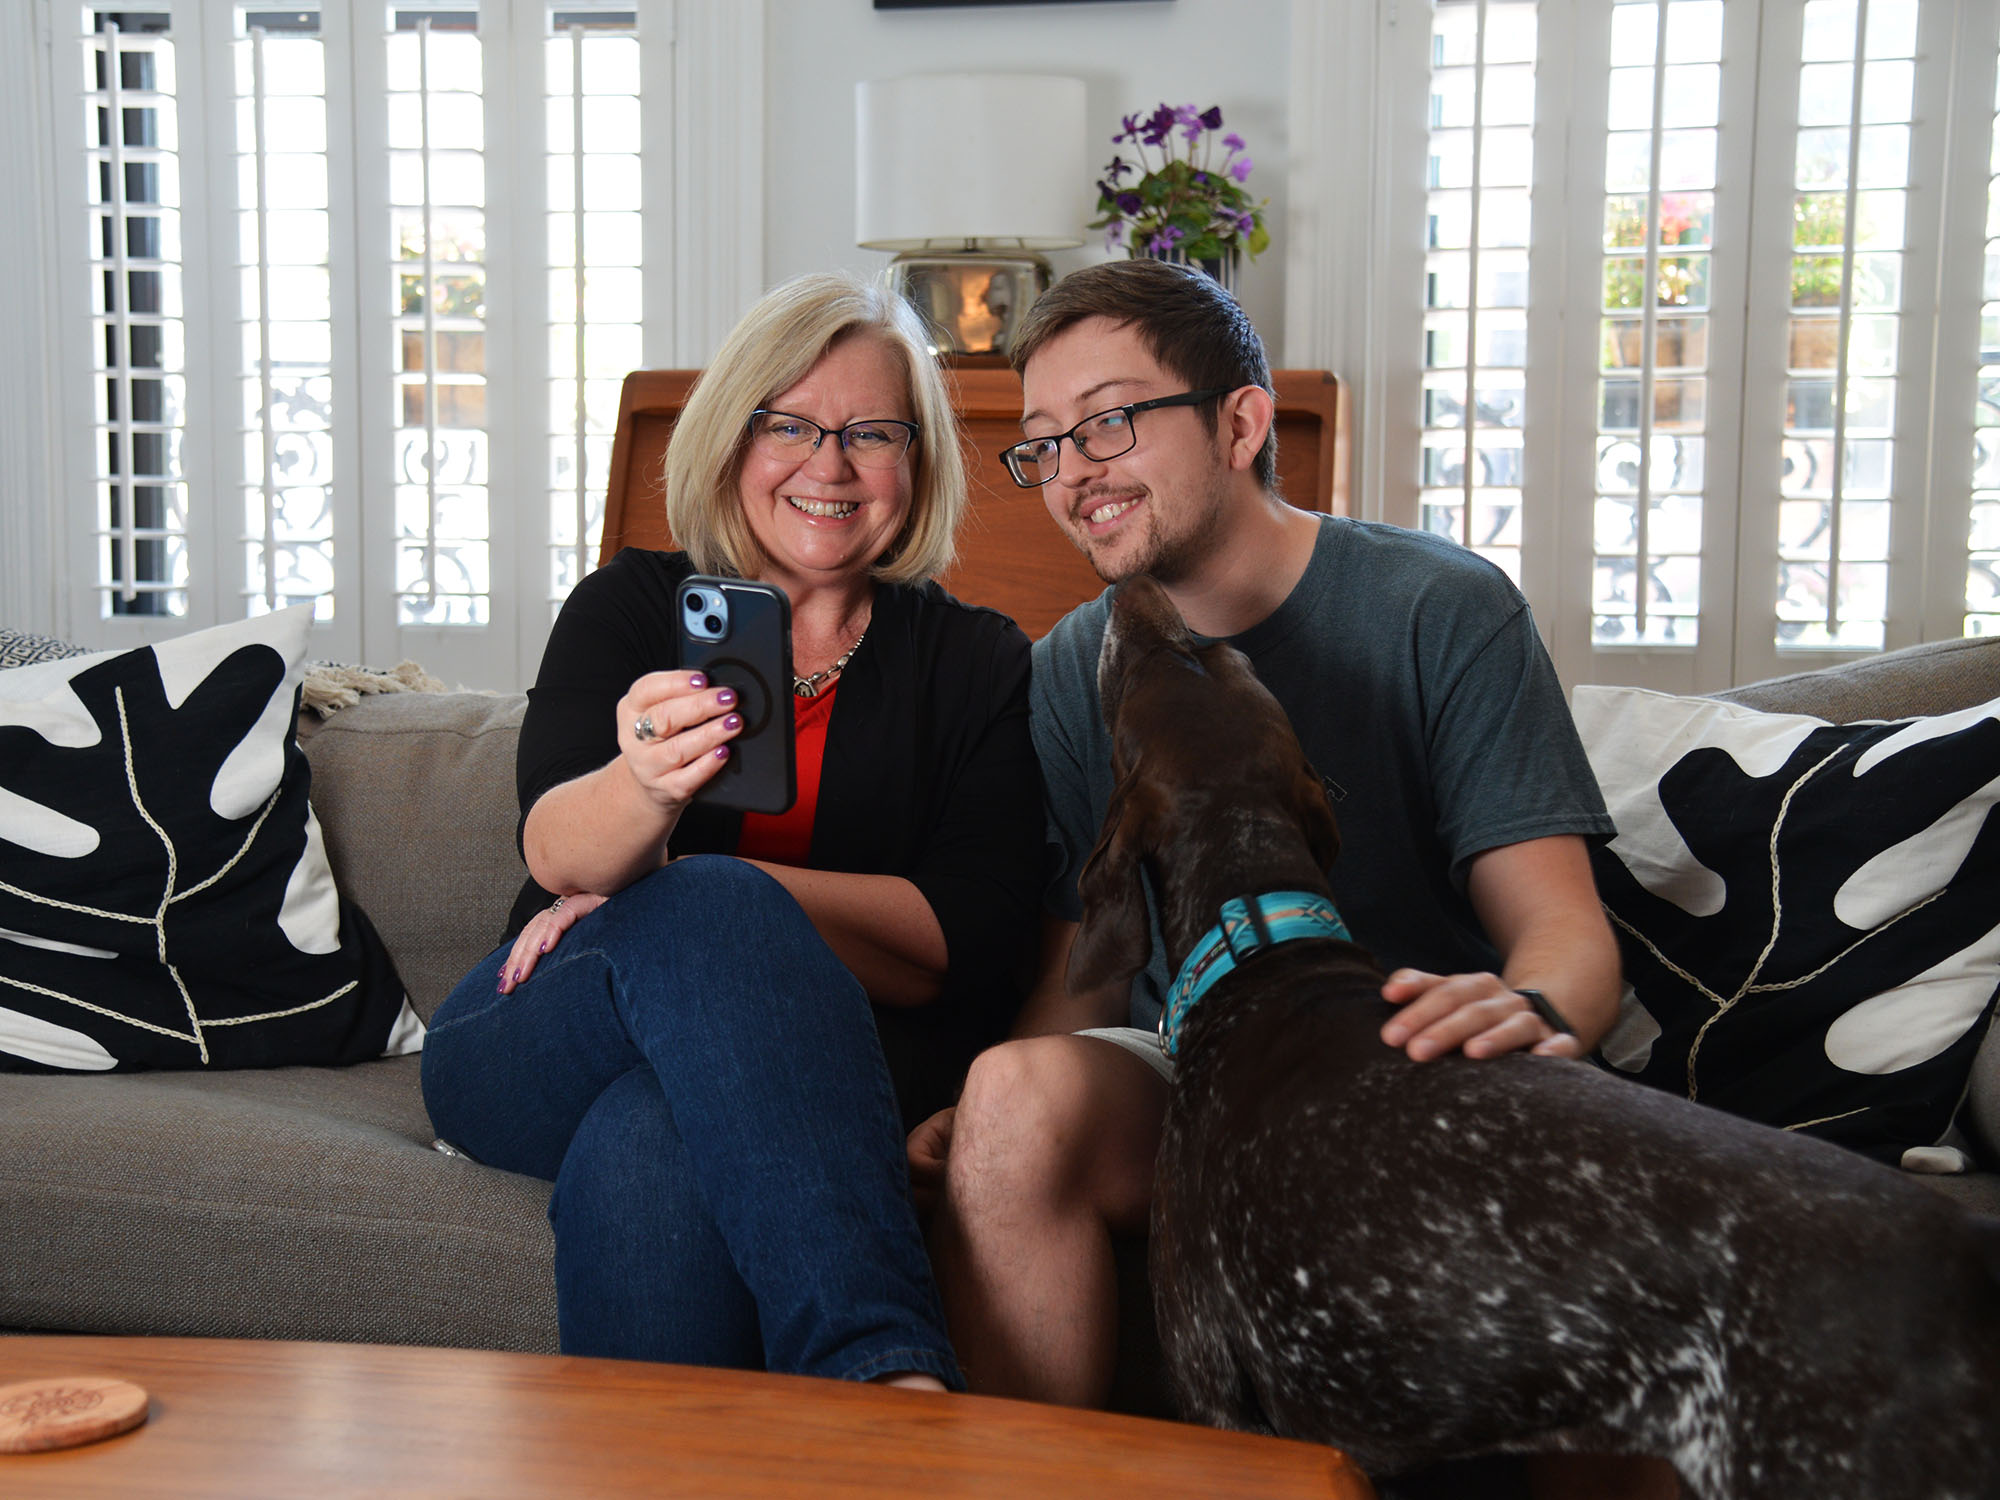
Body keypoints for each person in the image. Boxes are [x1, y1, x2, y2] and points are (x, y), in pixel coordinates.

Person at [910, 258, 1626, 1419]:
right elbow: (1078, 977)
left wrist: (1533, 1008)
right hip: (1187, 1075)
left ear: (1238, 420)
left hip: (1400, 1063)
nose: (1073, 473)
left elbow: (1559, 930)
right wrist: (985, 1125)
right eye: (1044, 442)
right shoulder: (1060, 673)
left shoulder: (1439, 608)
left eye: (1108, 423)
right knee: (1009, 1097)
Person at [421, 272, 1043, 1392]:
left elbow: (969, 940)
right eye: (788, 425)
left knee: (653, 1136)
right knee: (708, 920)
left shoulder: (979, 662)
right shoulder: (629, 607)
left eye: (872, 433)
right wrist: (644, 795)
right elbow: (559, 857)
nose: (829, 463)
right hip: (539, 1025)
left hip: (824, 1068)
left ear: (919, 460)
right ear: (729, 439)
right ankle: (881, 1376)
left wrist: (693, 884)